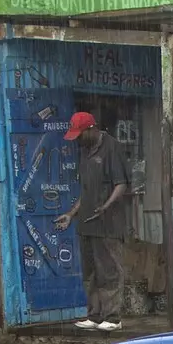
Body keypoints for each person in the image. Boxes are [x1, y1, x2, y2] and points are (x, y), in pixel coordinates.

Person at [55, 111, 131, 331]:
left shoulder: (112, 147)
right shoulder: (85, 152)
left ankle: (113, 318)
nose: (77, 139)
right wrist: (71, 214)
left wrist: (106, 206)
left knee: (109, 270)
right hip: (87, 224)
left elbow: (121, 184)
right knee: (90, 273)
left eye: (80, 135)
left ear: (91, 129)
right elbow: (86, 192)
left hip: (108, 223)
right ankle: (95, 315)